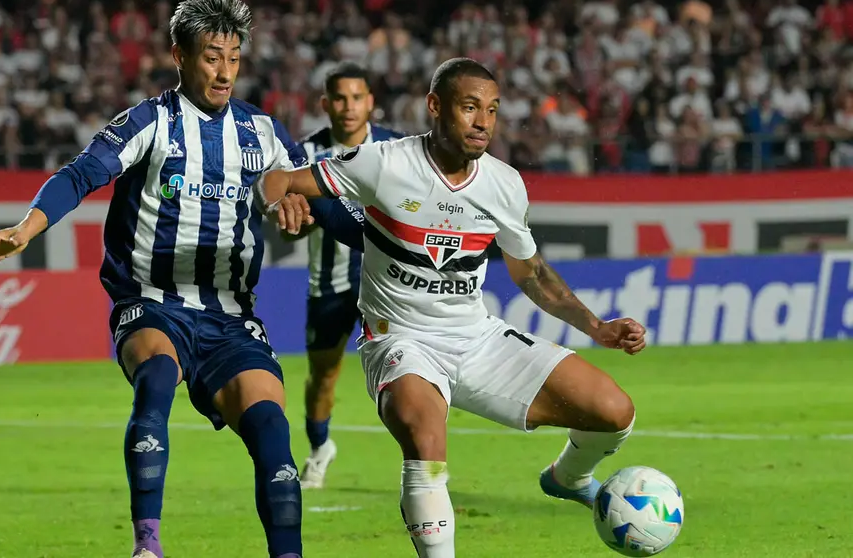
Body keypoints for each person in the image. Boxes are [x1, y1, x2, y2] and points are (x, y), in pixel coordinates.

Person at [0, 0, 347, 558]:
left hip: (231, 316)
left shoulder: (261, 132)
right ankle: (148, 547)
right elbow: (79, 175)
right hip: (152, 302)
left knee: (271, 428)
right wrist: (26, 229)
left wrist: (310, 210)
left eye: (234, 57)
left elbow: (313, 195)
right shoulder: (151, 121)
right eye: (212, 55)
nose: (224, 70)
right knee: (158, 379)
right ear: (180, 55)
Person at [258, 58, 646, 557]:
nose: (483, 121)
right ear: (435, 108)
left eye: (492, 109)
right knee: (425, 440)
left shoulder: (504, 184)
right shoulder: (384, 162)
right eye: (470, 108)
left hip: (476, 337)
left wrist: (597, 326)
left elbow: (531, 274)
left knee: (615, 411)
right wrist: (278, 203)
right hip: (399, 339)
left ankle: (569, 479)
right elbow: (279, 181)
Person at [295, 62, 401, 489]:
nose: (349, 106)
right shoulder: (304, 155)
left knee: (409, 371)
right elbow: (293, 217)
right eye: (340, 98)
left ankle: (422, 465)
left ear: (370, 102)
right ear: (326, 104)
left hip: (390, 284)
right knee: (324, 376)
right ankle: (320, 449)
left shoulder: (397, 149)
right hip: (330, 286)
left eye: (357, 97)